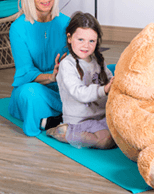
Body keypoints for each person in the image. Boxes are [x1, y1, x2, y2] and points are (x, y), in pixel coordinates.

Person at [8, 0, 70, 136]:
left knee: (111, 70)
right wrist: (51, 77)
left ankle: (58, 119)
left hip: (66, 88)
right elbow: (26, 72)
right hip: (35, 90)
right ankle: (68, 117)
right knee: (30, 94)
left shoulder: (67, 23)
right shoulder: (18, 28)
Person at [46, 11, 116, 149]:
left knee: (119, 136)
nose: (86, 46)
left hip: (101, 117)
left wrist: (115, 82)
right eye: (81, 40)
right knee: (106, 141)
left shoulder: (98, 60)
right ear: (69, 38)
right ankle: (62, 132)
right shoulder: (67, 64)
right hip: (80, 121)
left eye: (92, 41)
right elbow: (79, 93)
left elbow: (108, 79)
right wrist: (104, 89)